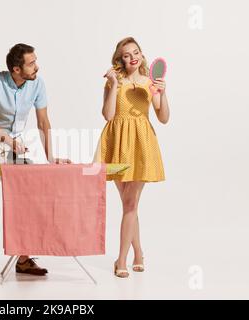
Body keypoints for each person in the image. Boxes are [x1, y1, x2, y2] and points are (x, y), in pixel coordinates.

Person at [0, 43, 71, 276]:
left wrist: (50, 157)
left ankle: (24, 259)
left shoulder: (38, 84)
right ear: (16, 69)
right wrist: (6, 140)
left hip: (16, 144)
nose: (37, 66)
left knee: (29, 198)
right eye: (31, 63)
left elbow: (43, 122)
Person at [94, 37, 170, 278]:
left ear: (141, 54)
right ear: (120, 59)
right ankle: (138, 252)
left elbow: (164, 117)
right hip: (117, 141)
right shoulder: (113, 82)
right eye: (126, 55)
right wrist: (114, 84)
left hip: (140, 143)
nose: (132, 57)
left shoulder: (150, 83)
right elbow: (108, 115)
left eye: (135, 52)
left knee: (129, 204)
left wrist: (164, 92)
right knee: (129, 205)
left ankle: (121, 259)